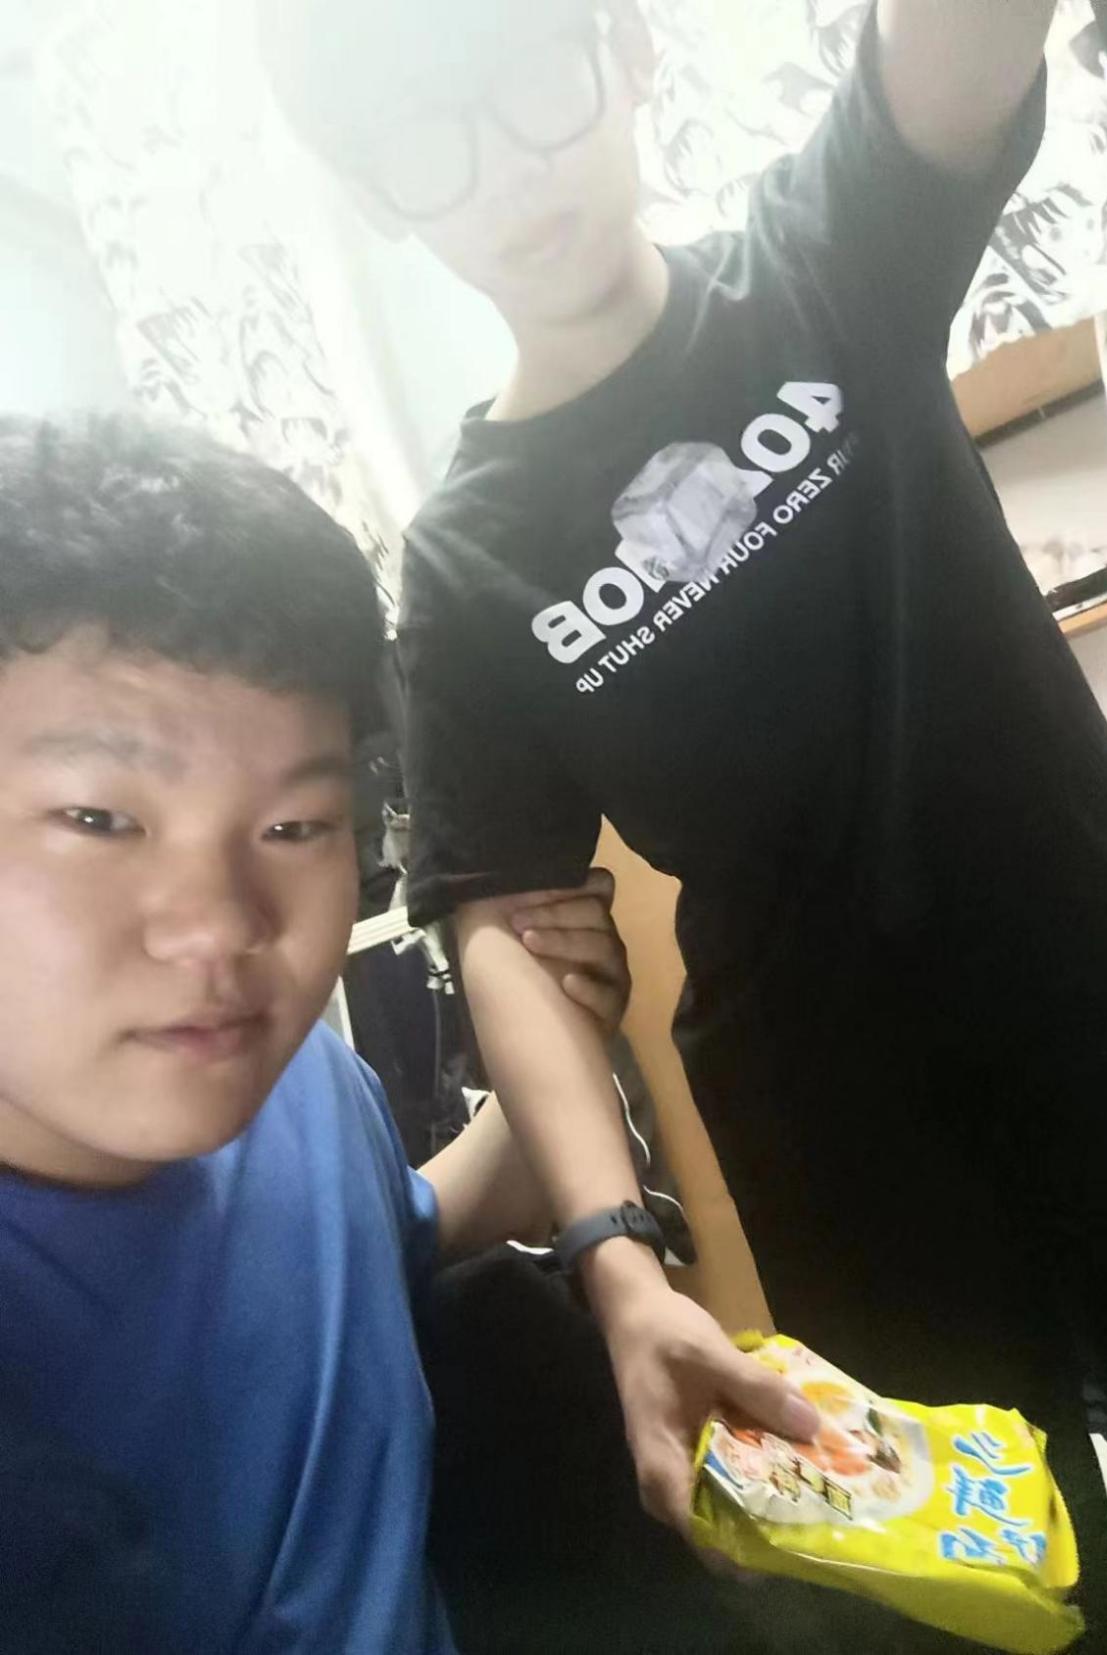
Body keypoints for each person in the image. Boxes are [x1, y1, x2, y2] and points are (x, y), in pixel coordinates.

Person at [263, 1, 1107, 1647]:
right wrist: (614, 1256)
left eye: (534, 83)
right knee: (992, 1608)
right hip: (840, 1143)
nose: (506, 170)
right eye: (431, 142)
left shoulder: (820, 260)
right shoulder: (464, 559)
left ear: (631, 53)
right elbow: (499, 920)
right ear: (379, 197)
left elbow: (953, 53)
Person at [0, 412, 816, 1655]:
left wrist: (563, 1038)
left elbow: (393, 1232)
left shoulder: (299, 1084)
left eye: (293, 826)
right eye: (100, 819)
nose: (222, 926)